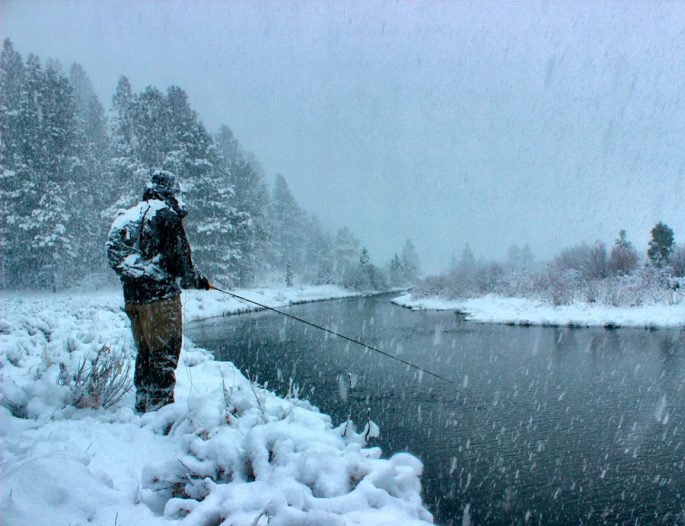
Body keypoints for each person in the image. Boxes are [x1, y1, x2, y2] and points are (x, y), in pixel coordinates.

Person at [106, 170, 210, 412]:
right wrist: (197, 280)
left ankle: (143, 405)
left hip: (133, 301)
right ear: (169, 192)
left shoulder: (128, 216)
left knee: (145, 355)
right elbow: (180, 263)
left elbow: (113, 255)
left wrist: (139, 277)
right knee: (164, 356)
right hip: (161, 301)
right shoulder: (166, 216)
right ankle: (160, 410)